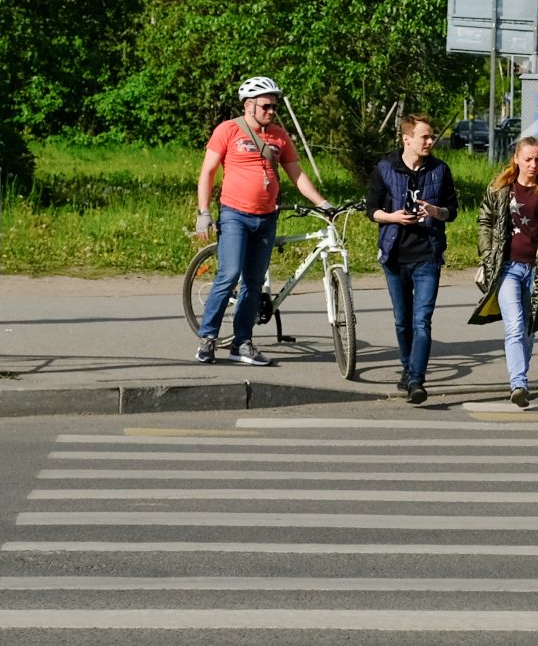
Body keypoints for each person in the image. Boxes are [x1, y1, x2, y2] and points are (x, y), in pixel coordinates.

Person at [193, 76, 333, 366]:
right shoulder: (228, 130)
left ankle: (242, 343)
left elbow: (296, 174)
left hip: (267, 217)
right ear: (249, 106)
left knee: (254, 283)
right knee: (229, 274)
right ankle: (208, 339)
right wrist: (204, 213)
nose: (271, 111)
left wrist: (322, 203)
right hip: (234, 215)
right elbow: (207, 172)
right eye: (266, 106)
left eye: (274, 107)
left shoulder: (280, 136)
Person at [367, 113, 458, 405]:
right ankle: (407, 369)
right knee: (402, 320)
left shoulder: (440, 170)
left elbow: (451, 211)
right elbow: (372, 210)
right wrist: (392, 217)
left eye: (432, 137)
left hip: (427, 255)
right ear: (407, 139)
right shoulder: (385, 168)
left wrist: (435, 211)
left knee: (422, 320)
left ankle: (416, 380)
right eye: (425, 137)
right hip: (395, 255)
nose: (431, 141)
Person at [469, 136, 538, 408]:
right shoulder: (501, 187)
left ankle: (520, 378)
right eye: (528, 159)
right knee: (514, 326)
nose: (533, 164)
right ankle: (518, 384)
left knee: (529, 329)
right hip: (507, 269)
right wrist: (488, 255)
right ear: (516, 159)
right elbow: (484, 220)